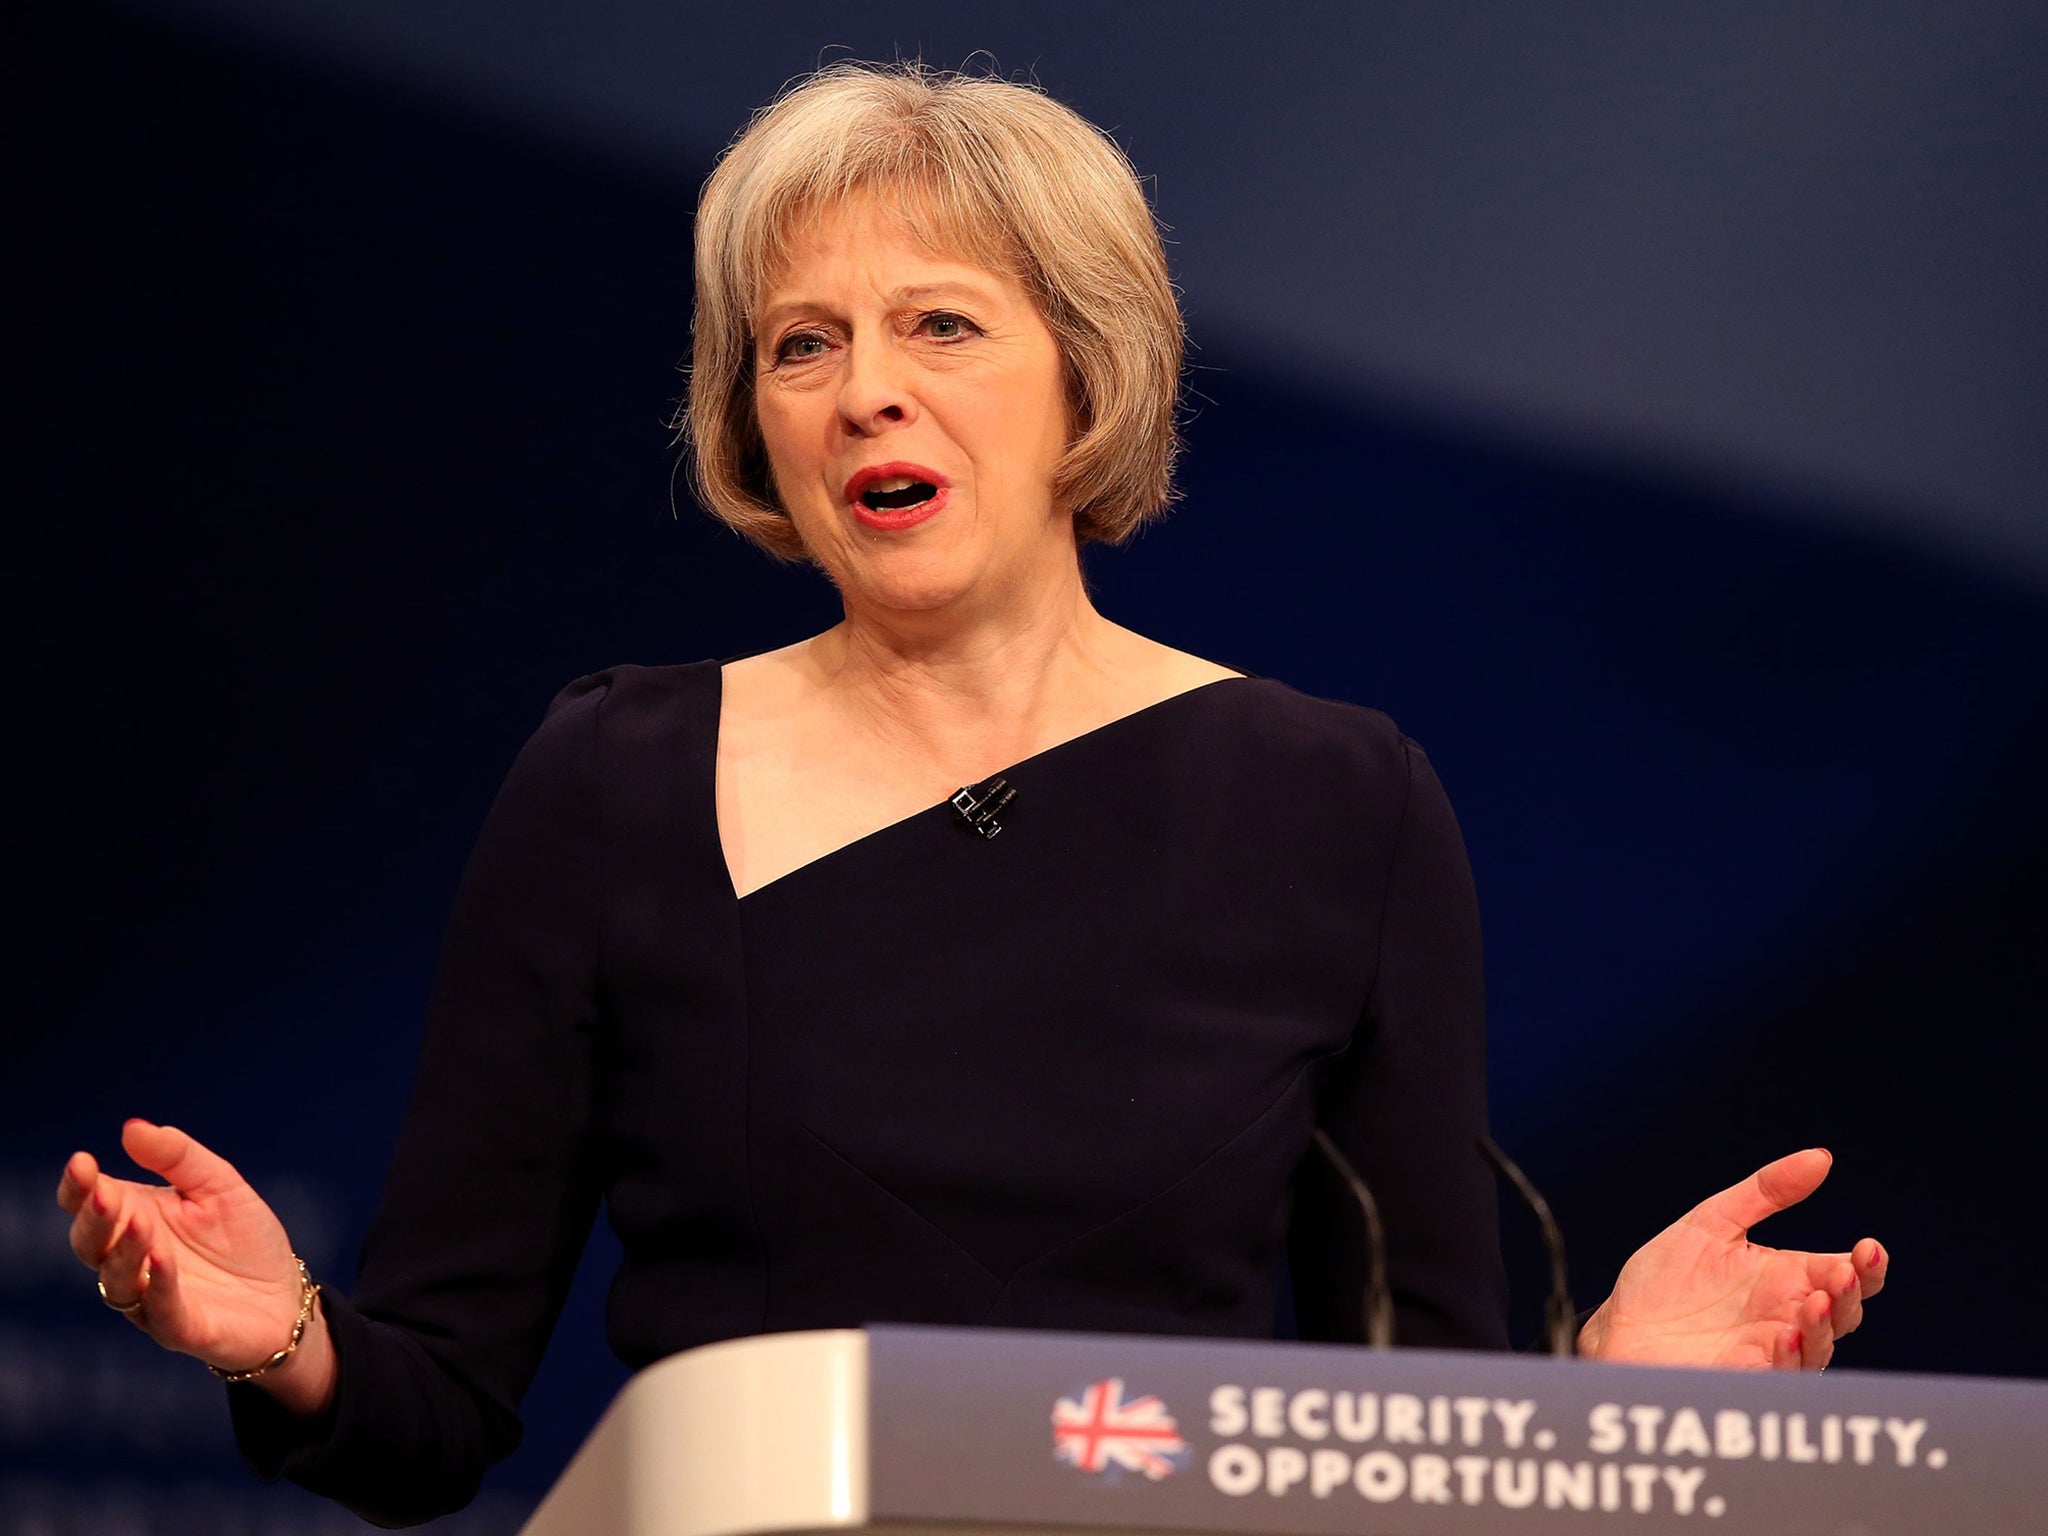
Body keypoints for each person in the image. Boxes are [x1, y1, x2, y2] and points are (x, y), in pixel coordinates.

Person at [56, 62, 1886, 1528]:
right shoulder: (615, 778)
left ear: (1088, 373)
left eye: (939, 327)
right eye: (800, 344)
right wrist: (280, 1340)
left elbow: (1402, 1436)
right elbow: (436, 1411)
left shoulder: (1335, 801)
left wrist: (1613, 1409)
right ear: (747, 415)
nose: (865, 396)